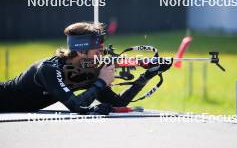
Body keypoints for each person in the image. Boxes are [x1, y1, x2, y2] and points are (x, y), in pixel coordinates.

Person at [0, 22, 171, 114]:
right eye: (98, 50)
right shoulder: (48, 69)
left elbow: (118, 103)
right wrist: (102, 81)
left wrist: (147, 75)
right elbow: (77, 107)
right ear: (81, 50)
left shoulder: (88, 70)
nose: (102, 54)